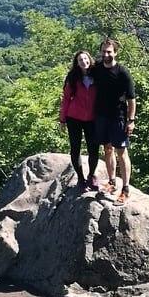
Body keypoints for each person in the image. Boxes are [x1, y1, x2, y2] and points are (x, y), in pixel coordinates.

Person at [91, 38, 136, 206]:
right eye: (103, 51)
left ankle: (126, 189)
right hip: (101, 116)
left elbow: (131, 99)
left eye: (109, 51)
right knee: (107, 149)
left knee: (122, 152)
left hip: (118, 117)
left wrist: (131, 120)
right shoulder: (97, 69)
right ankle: (112, 182)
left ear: (115, 53)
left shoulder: (122, 72)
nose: (106, 54)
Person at [59, 50, 99, 192]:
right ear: (77, 63)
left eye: (85, 59)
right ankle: (81, 179)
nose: (84, 62)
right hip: (74, 118)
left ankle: (91, 176)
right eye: (80, 60)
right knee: (75, 149)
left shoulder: (97, 75)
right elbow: (66, 99)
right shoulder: (72, 77)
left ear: (90, 59)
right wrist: (62, 119)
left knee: (93, 149)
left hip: (92, 118)